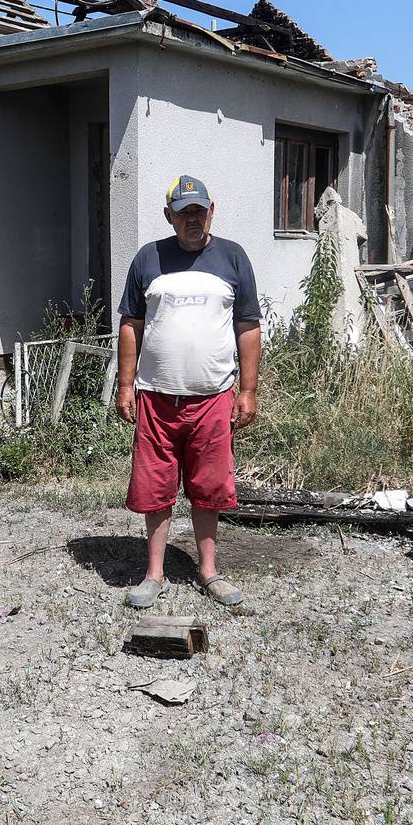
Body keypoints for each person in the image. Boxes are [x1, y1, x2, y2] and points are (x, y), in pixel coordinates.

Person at [114, 174, 261, 608]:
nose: (192, 220)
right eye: (183, 213)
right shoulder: (148, 259)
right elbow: (130, 324)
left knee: (208, 486)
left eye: (199, 211)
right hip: (156, 398)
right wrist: (125, 385)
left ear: (211, 211)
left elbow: (248, 327)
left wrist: (248, 391)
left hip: (213, 398)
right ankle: (154, 574)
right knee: (155, 487)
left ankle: (209, 571)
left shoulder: (233, 258)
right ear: (169, 216)